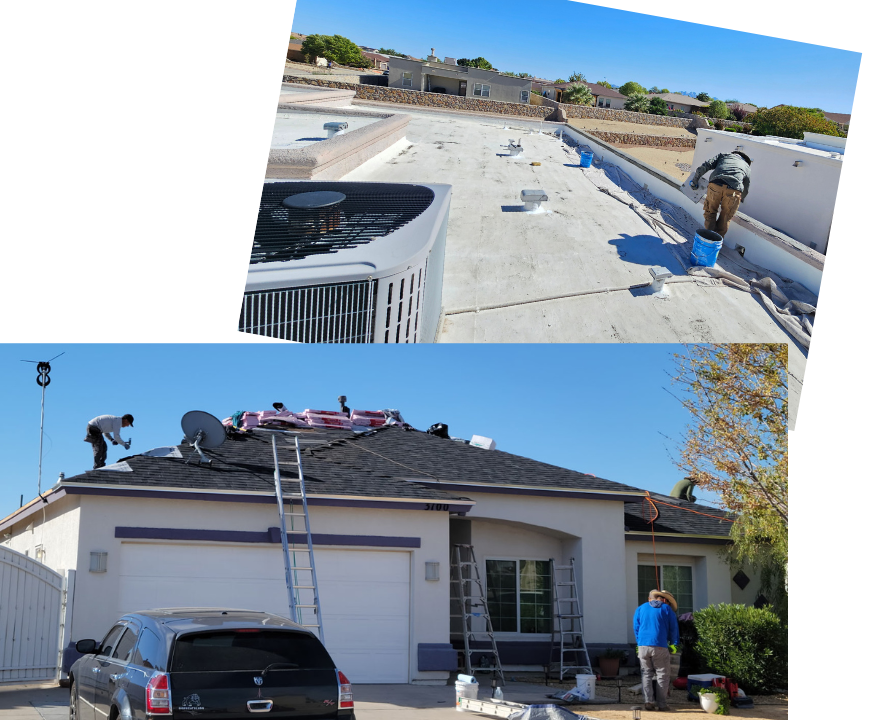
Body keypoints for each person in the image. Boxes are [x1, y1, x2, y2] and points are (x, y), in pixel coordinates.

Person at [633, 589, 679, 712]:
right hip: (660, 646)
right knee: (662, 675)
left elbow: (636, 627)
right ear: (664, 600)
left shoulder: (640, 608)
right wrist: (674, 644)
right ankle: (662, 704)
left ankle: (648, 701)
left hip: (643, 646)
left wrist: (639, 643)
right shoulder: (666, 609)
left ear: (650, 599)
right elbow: (673, 628)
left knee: (646, 674)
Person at [689, 151, 752, 238]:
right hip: (734, 190)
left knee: (710, 212)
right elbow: (746, 187)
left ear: (733, 154)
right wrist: (740, 199)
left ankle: (707, 239)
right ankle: (715, 243)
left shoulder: (723, 156)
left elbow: (705, 166)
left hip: (715, 185)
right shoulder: (746, 166)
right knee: (726, 217)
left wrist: (694, 181)